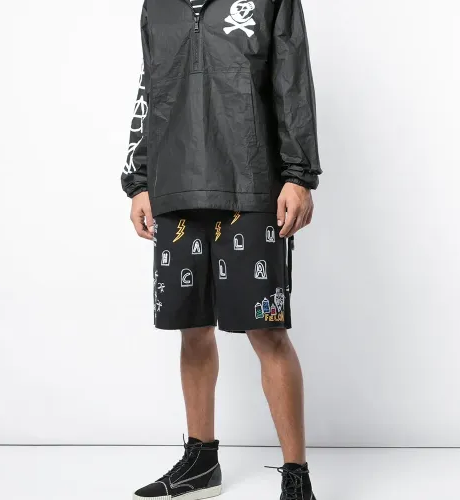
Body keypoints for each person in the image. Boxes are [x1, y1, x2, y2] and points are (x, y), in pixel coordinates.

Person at [121, 0, 322, 498]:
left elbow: (292, 80)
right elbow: (150, 88)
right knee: (191, 328)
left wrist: (298, 175)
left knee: (266, 330)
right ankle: (200, 463)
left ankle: (296, 476)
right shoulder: (157, 5)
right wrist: (139, 179)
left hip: (249, 184)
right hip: (174, 187)